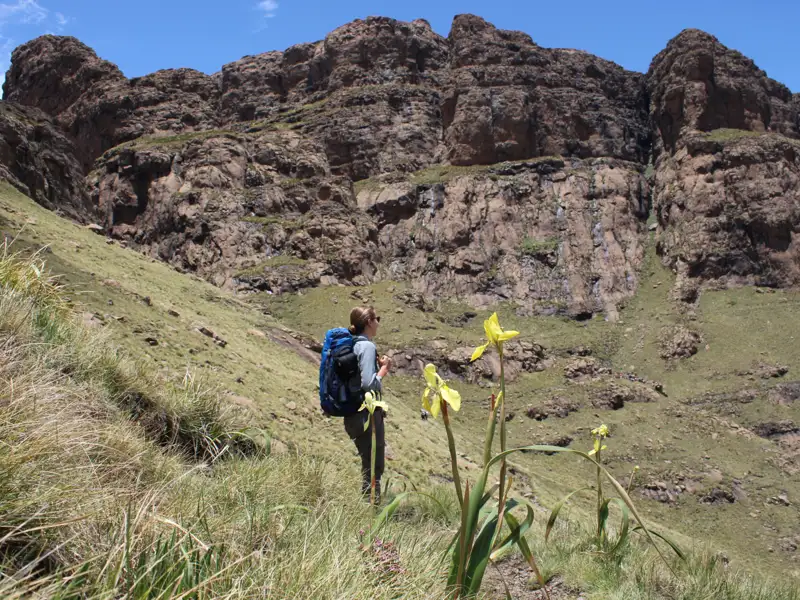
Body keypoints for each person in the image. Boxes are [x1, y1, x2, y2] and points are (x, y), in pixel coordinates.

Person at [343, 306, 392, 504]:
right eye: (376, 318)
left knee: (367, 461)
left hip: (352, 413)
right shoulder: (368, 347)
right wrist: (384, 371)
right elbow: (367, 384)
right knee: (374, 464)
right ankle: (371, 509)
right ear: (370, 322)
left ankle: (369, 505)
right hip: (367, 414)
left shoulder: (352, 344)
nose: (378, 322)